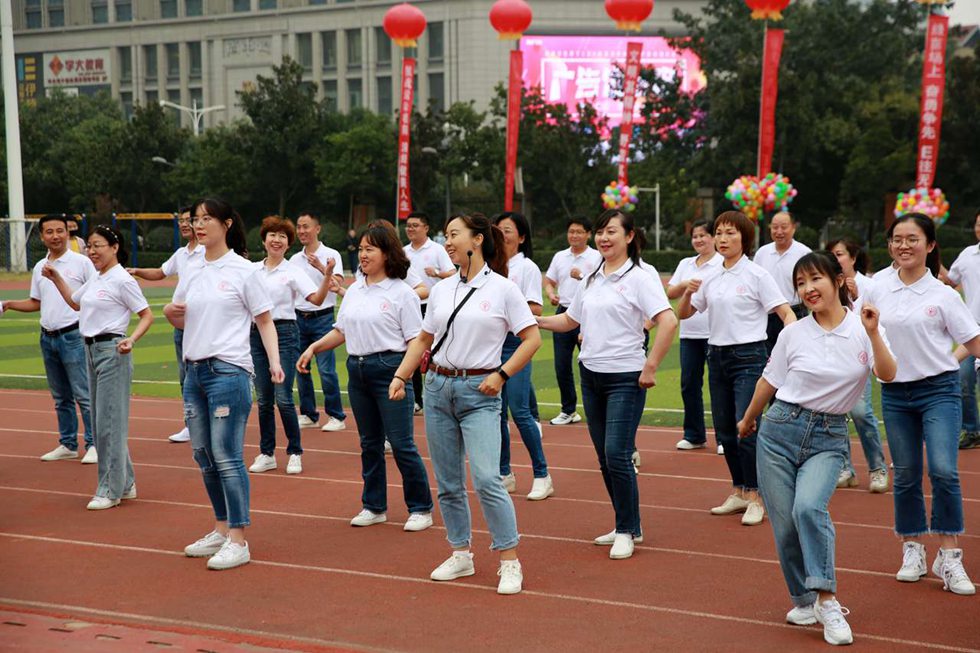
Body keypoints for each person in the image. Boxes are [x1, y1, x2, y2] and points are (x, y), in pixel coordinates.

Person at [737, 251, 897, 646]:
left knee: (808, 509)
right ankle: (804, 600)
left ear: (838, 280)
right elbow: (769, 381)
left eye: (815, 279)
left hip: (829, 435)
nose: (808, 289)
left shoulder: (864, 327)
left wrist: (874, 334)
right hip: (779, 430)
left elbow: (888, 374)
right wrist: (748, 419)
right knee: (785, 526)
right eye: (801, 283)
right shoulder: (793, 333)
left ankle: (827, 600)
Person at [389, 213, 541, 595]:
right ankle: (460, 553)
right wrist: (401, 376)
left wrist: (501, 374)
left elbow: (532, 339)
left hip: (481, 392)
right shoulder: (441, 290)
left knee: (488, 479)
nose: (448, 242)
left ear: (477, 239)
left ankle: (509, 560)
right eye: (446, 235)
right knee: (448, 483)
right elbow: (423, 340)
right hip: (438, 388)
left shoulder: (504, 289)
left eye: (454, 234)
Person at [538, 209, 677, 560]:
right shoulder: (591, 277)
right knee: (604, 456)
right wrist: (534, 320)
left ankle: (627, 529)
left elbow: (668, 321)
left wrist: (650, 366)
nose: (603, 237)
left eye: (611, 231)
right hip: (591, 375)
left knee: (617, 453)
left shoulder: (641, 277)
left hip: (625, 378)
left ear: (629, 236)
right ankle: (627, 523)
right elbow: (570, 320)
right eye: (600, 231)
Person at [164, 198, 283, 571]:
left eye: (207, 219)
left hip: (228, 372)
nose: (199, 225)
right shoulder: (192, 267)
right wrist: (169, 314)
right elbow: (182, 318)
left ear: (227, 224)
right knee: (203, 455)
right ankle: (220, 528)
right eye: (195, 219)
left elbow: (264, 320)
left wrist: (275, 363)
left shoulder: (244, 270)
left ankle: (238, 539)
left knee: (227, 455)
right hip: (194, 372)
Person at [865, 212, 980, 596]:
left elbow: (973, 340)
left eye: (912, 239)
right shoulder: (878, 287)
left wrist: (953, 357)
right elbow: (859, 332)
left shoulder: (943, 295)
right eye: (897, 239)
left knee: (944, 470)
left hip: (939, 391)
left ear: (929, 245)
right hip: (896, 394)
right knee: (907, 473)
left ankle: (949, 556)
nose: (904, 246)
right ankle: (912, 548)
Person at [298, 224, 433, 531]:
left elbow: (416, 341)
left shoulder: (402, 293)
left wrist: (402, 376)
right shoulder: (356, 289)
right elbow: (341, 330)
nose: (363, 255)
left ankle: (420, 507)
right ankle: (374, 505)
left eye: (370, 249)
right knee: (369, 443)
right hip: (357, 370)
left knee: (401, 444)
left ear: (387, 253)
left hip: (390, 370)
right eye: (360, 249)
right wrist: (314, 347)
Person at [677, 211, 795, 526]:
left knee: (746, 427)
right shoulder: (711, 275)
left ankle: (757, 495)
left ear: (745, 238)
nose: (723, 238)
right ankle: (739, 490)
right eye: (719, 232)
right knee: (725, 430)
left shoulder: (757, 275)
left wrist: (788, 347)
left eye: (730, 233)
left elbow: (785, 312)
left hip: (749, 357)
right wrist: (688, 292)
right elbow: (684, 314)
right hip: (716, 356)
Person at [44, 225, 154, 510]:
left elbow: (146, 314)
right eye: (89, 246)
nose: (92, 251)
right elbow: (75, 303)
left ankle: (109, 489)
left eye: (98, 246)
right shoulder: (97, 277)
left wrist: (131, 339)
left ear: (114, 247)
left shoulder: (122, 279)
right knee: (102, 420)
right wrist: (56, 278)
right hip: (90, 349)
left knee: (108, 424)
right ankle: (125, 483)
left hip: (112, 350)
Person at [0, 214, 96, 463]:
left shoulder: (82, 263)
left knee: (83, 394)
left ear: (68, 233)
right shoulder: (39, 267)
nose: (55, 236)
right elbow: (36, 302)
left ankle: (94, 443)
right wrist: (9, 304)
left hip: (73, 335)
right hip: (48, 337)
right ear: (42, 236)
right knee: (61, 397)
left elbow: (94, 296)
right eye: (49, 232)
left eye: (60, 231)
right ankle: (68, 443)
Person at [248, 216, 336, 476]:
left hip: (285, 333)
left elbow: (317, 299)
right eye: (272, 235)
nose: (277, 240)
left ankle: (295, 452)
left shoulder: (293, 271)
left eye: (283, 236)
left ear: (288, 244)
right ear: (264, 240)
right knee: (264, 399)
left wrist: (326, 276)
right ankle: (267, 453)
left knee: (283, 397)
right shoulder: (252, 270)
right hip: (256, 334)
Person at [129, 206, 201, 443]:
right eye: (181, 221)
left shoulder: (208, 251)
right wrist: (137, 271)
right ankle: (191, 424)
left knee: (206, 374)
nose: (184, 224)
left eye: (188, 220)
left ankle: (209, 421)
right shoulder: (181, 253)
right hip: (181, 324)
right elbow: (160, 273)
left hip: (202, 323)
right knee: (185, 377)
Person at [494, 211, 552, 500]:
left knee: (519, 411)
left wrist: (504, 310)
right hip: (491, 345)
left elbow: (536, 308)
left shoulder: (526, 267)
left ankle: (542, 474)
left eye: (507, 230)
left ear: (521, 237)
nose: (501, 234)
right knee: (496, 413)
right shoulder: (490, 266)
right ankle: (504, 473)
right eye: (498, 229)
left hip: (516, 343)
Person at [827, 238, 889, 493]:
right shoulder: (827, 283)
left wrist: (854, 298)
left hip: (860, 357)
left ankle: (877, 468)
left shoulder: (869, 286)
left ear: (853, 258)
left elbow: (877, 320)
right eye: (831, 255)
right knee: (835, 413)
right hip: (833, 356)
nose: (835, 259)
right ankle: (845, 468)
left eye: (839, 254)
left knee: (861, 413)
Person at [667, 219, 722, 453]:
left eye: (703, 235)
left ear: (714, 238)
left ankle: (724, 438)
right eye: (695, 236)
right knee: (689, 384)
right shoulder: (686, 264)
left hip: (716, 334)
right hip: (689, 334)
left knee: (718, 386)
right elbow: (670, 292)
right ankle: (694, 434)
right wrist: (685, 285)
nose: (698, 240)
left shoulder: (722, 263)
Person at [289, 211, 347, 432]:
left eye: (306, 226)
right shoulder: (294, 259)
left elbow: (336, 285)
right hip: (298, 318)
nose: (301, 231)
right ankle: (308, 414)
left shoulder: (331, 254)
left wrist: (321, 268)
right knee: (301, 367)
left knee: (326, 369)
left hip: (322, 318)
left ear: (317, 229)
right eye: (299, 226)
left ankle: (336, 416)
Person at [544, 217, 602, 426]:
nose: (574, 235)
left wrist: (582, 276)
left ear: (588, 234)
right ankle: (568, 410)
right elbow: (549, 280)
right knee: (561, 366)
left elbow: (602, 283)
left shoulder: (597, 256)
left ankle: (597, 408)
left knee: (590, 364)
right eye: (571, 231)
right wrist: (551, 293)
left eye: (579, 232)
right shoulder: (560, 256)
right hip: (564, 312)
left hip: (587, 315)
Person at [403, 212, 456, 413]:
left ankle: (437, 395)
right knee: (413, 350)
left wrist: (437, 273)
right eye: (408, 225)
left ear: (426, 228)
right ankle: (417, 399)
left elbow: (453, 273)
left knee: (435, 352)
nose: (410, 229)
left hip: (433, 307)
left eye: (415, 225)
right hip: (411, 307)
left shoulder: (437, 250)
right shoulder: (403, 252)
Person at [942, 208, 980, 450]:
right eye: (978, 224)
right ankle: (973, 430)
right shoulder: (967, 255)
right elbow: (950, 282)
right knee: (961, 379)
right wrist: (933, 262)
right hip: (972, 331)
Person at [753, 211, 812, 354]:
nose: (779, 231)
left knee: (794, 353)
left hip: (795, 311)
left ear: (793, 228)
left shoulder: (804, 253)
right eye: (775, 227)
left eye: (784, 227)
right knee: (767, 357)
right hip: (767, 314)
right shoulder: (762, 253)